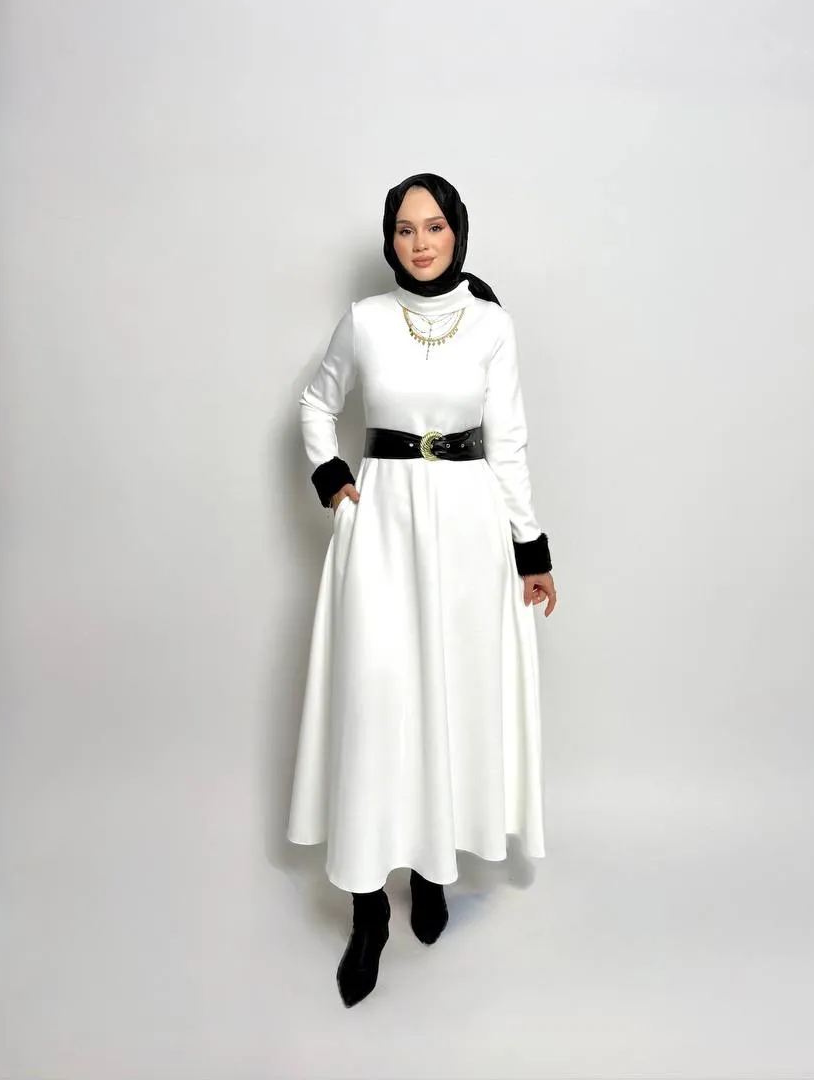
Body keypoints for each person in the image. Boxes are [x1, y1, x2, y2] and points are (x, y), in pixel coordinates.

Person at [287, 172, 557, 1007]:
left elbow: (508, 442)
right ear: (389, 240)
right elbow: (315, 403)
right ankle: (368, 909)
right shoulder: (366, 320)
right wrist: (332, 478)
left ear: (457, 231)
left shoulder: (491, 324)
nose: (420, 242)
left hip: (470, 532)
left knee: (447, 698)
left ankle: (431, 872)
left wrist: (530, 547)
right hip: (382, 529)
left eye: (434, 226)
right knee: (377, 703)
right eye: (405, 229)